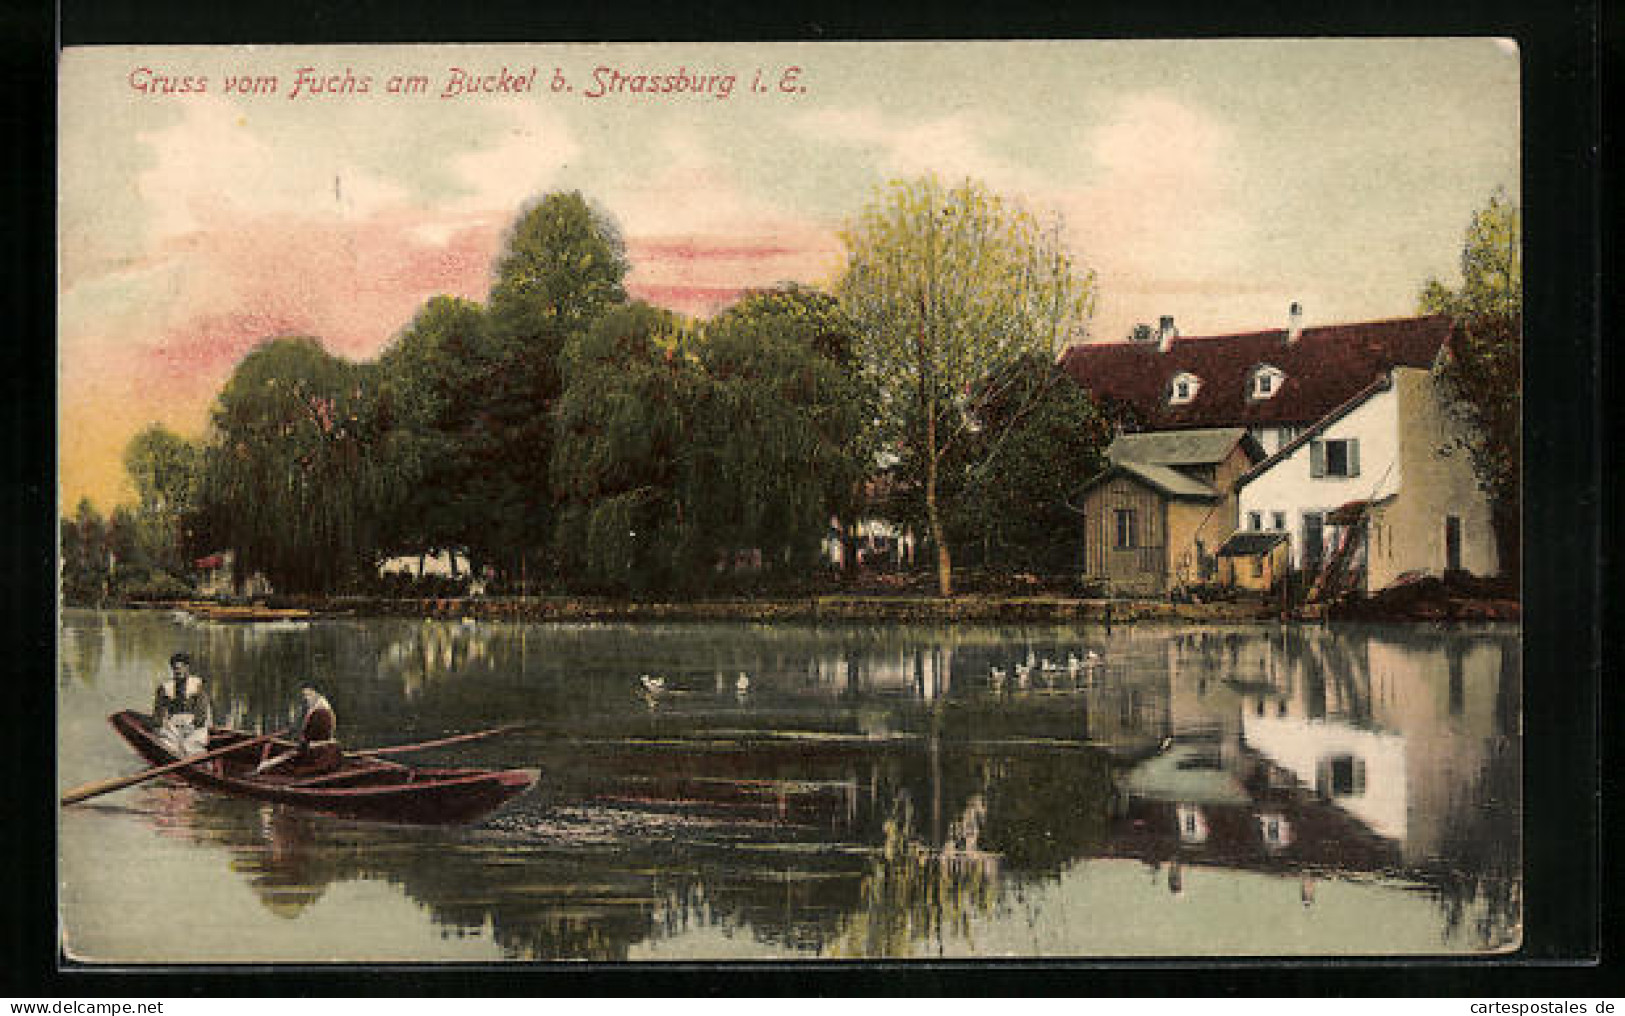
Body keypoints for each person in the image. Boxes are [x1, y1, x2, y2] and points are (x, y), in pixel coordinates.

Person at [255, 686, 342, 777]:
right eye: (305, 695)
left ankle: (263, 768)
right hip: (318, 747)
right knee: (279, 752)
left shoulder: (320, 713)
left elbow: (308, 738)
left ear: (316, 693)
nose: (306, 697)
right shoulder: (321, 707)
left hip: (316, 751)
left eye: (309, 694)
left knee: (282, 759)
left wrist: (296, 749)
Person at [153, 652, 212, 759]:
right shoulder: (165, 688)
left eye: (181, 668)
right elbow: (158, 711)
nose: (178, 671)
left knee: (193, 749)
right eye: (175, 669)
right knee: (168, 749)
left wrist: (194, 725)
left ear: (187, 668)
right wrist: (158, 726)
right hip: (173, 727)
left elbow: (202, 710)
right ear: (172, 669)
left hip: (194, 726)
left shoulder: (198, 685)